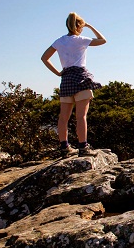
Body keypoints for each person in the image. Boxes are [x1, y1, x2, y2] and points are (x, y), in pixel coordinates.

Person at [41, 12, 106, 157]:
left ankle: (64, 147)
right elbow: (103, 40)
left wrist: (58, 73)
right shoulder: (81, 40)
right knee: (81, 116)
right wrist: (89, 26)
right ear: (79, 26)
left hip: (66, 79)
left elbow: (44, 58)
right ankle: (83, 147)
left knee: (63, 117)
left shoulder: (59, 41)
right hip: (81, 79)